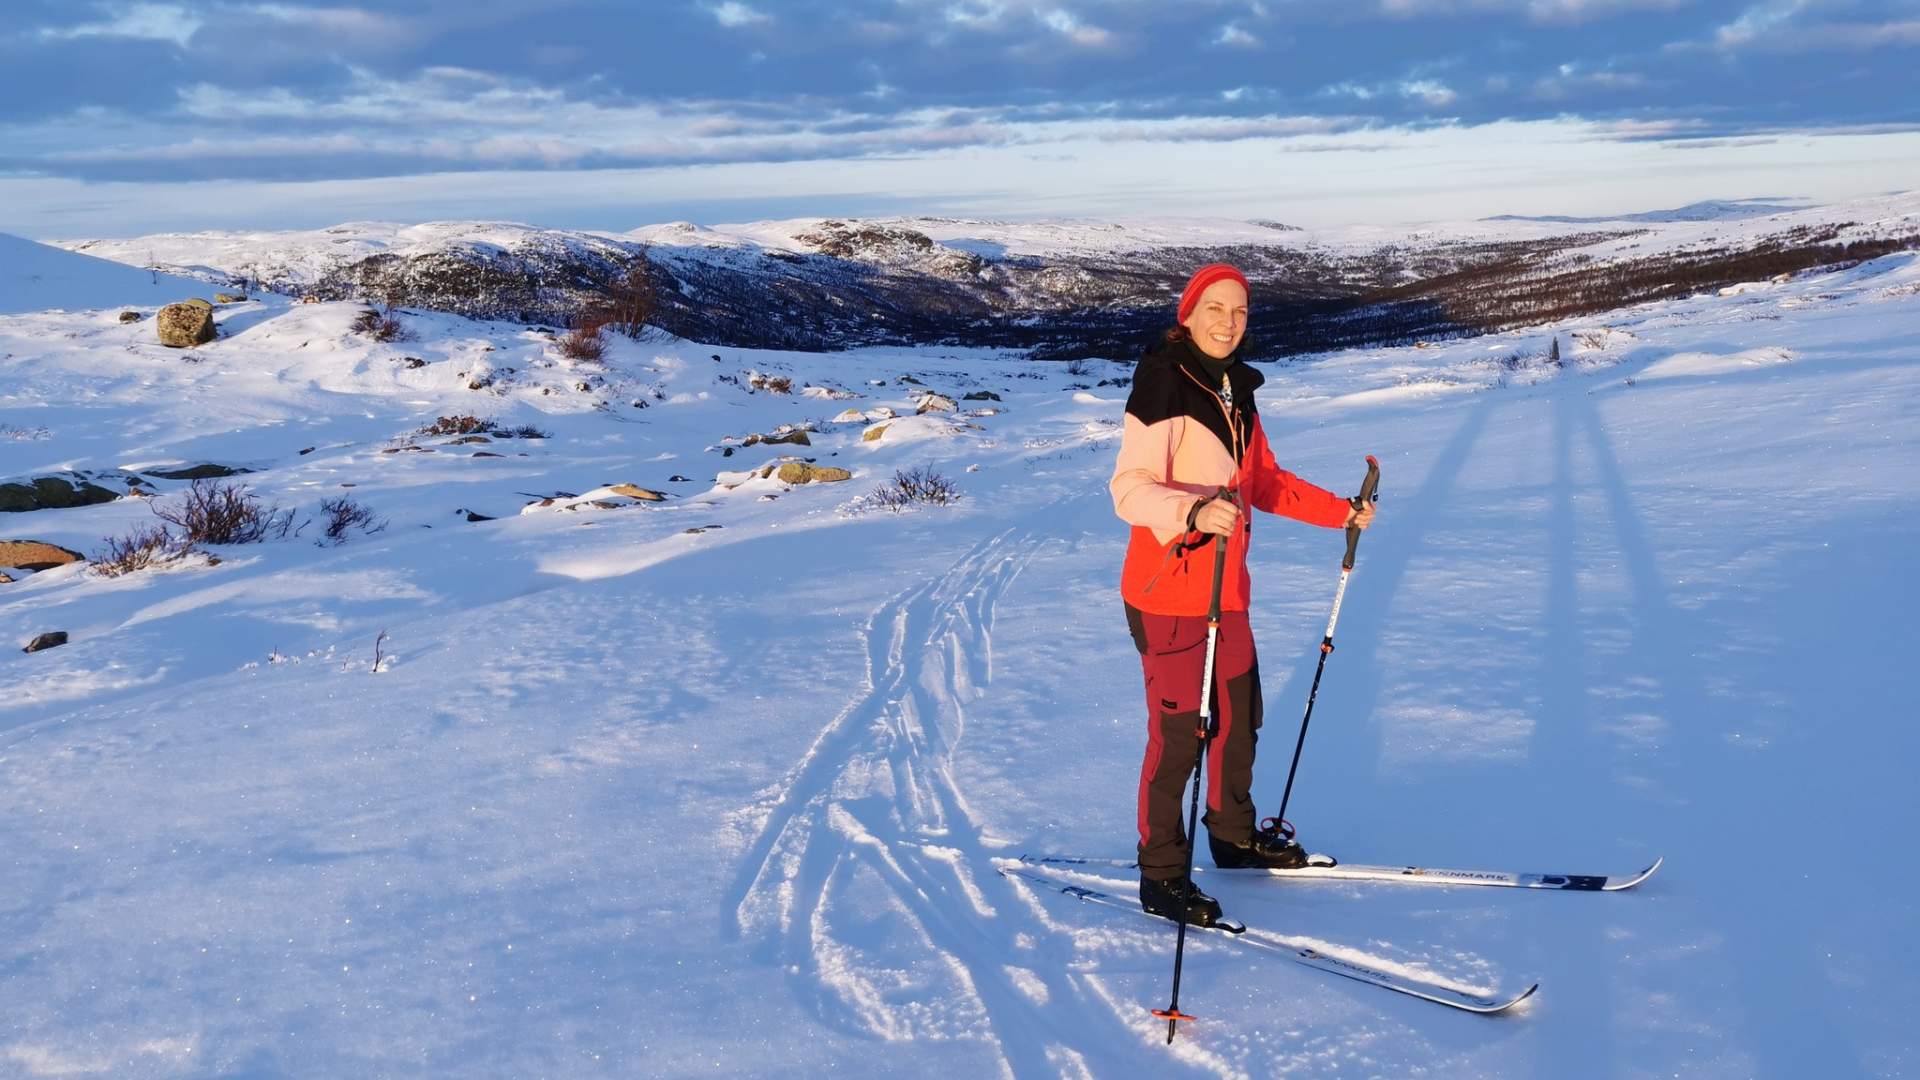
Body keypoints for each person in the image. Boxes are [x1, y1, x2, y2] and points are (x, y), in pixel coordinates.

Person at [1109, 263, 1376, 925]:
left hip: (1227, 593)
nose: (1228, 323)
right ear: (1189, 314)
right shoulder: (1164, 384)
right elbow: (1129, 489)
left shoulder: (1236, 392)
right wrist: (1193, 512)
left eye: (1240, 311)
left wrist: (1340, 512)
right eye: (1215, 309)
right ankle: (1161, 875)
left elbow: (1266, 482)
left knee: (1237, 720)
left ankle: (1231, 838)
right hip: (1170, 595)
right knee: (1179, 738)